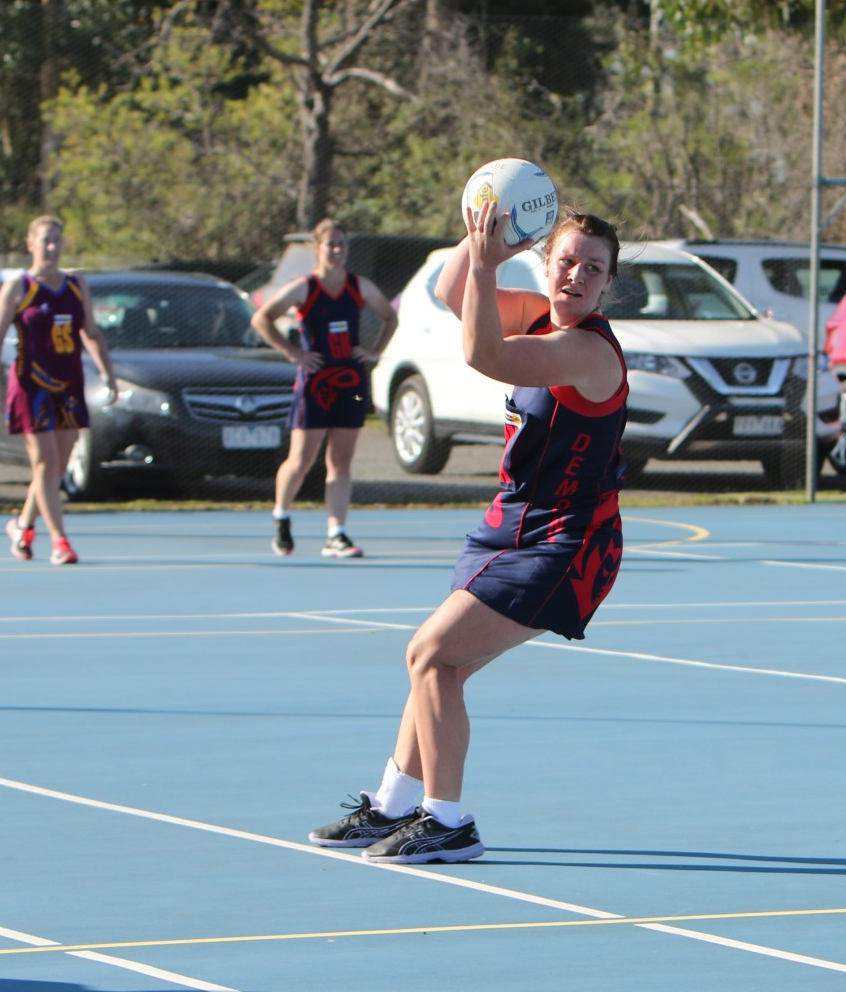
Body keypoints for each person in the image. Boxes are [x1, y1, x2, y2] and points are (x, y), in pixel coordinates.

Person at [307, 199, 628, 864]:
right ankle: (392, 805)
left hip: (563, 543)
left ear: (607, 285)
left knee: (430, 654)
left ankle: (447, 821)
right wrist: (485, 229)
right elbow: (453, 289)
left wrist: (488, 261)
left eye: (592, 269)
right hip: (508, 528)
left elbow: (483, 352)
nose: (575, 275)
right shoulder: (536, 310)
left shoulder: (588, 349)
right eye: (566, 260)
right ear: (547, 262)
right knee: (435, 668)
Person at [253, 219, 396, 558]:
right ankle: (282, 517)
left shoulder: (358, 286)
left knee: (341, 461)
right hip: (315, 382)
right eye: (330, 244)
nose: (336, 251)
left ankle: (337, 532)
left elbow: (390, 317)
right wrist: (294, 352)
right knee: (301, 459)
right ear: (317, 248)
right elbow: (262, 318)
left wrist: (374, 352)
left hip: (351, 382)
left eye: (341, 245)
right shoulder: (303, 287)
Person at [0, 215, 115, 564]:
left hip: (68, 382)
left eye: (57, 240)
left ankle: (23, 526)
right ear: (31, 244)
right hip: (32, 384)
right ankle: (60, 541)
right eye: (45, 240)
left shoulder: (75, 285)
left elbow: (91, 333)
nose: (52, 247)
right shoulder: (19, 287)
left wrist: (108, 373)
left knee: (54, 468)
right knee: (46, 460)